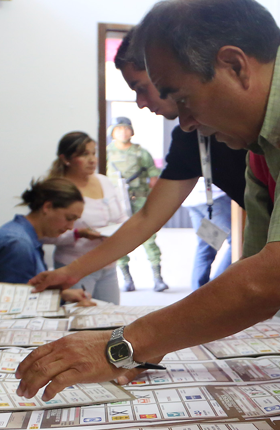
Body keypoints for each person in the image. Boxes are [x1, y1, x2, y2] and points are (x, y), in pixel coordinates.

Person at [18, 0, 280, 399]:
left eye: (183, 98)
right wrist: (153, 342)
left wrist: (124, 344)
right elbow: (256, 271)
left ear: (234, 65)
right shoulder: (262, 140)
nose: (184, 122)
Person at [29, 28, 246, 297]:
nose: (140, 103)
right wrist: (71, 271)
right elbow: (146, 217)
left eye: (141, 87)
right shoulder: (189, 137)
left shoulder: (248, 117)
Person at [0, 178, 93, 305]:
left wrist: (63, 295)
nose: (71, 227)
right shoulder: (18, 244)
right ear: (47, 207)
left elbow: (26, 292)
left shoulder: (21, 235)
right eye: (69, 218)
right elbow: (20, 304)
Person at [44, 131, 130, 303]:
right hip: (76, 266)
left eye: (93, 153)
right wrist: (77, 234)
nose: (92, 159)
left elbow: (121, 217)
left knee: (110, 317)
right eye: (84, 154)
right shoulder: (58, 189)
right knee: (78, 318)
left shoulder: (104, 181)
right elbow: (45, 234)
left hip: (108, 264)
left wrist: (121, 231)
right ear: (65, 159)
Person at [106, 116, 167, 292]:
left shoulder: (141, 153)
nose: (123, 132)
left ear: (131, 131)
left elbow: (154, 178)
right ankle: (127, 279)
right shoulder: (106, 153)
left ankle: (158, 278)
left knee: (148, 238)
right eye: (118, 129)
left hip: (139, 200)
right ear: (112, 132)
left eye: (126, 128)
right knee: (118, 239)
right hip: (116, 204)